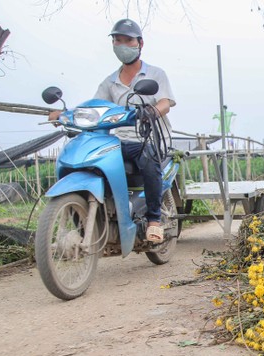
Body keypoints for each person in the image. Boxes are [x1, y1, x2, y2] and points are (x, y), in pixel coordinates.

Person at [49, 18, 176, 244]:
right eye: (118, 41)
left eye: (128, 40)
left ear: (140, 43)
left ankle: (154, 220)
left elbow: (165, 102)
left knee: (147, 157)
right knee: (92, 157)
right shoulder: (109, 82)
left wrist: (151, 112)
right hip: (120, 141)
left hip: (149, 138)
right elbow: (94, 107)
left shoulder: (156, 74)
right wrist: (65, 115)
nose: (122, 45)